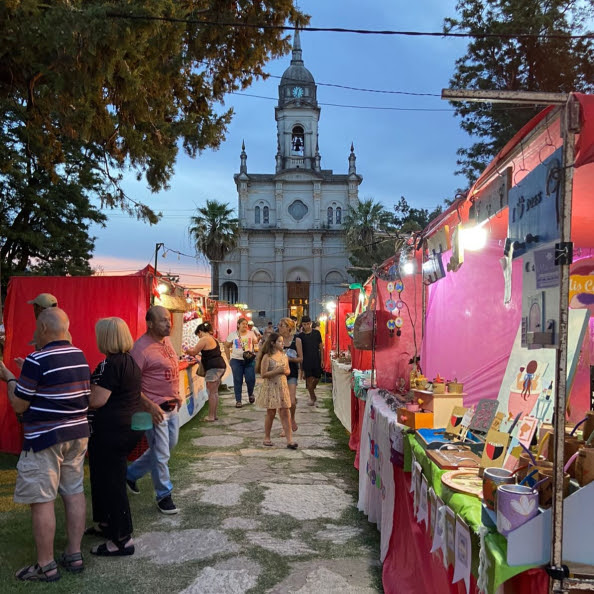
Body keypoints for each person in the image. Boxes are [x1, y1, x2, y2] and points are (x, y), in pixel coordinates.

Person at [0, 308, 90, 582]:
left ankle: (45, 565)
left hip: (45, 438)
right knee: (73, 491)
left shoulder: (36, 359)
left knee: (42, 499)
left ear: (41, 328)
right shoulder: (79, 355)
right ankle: (74, 555)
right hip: (77, 434)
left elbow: (19, 403)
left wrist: (10, 378)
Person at [87, 317, 143, 557]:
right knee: (104, 477)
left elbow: (97, 400)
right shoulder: (129, 361)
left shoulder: (110, 364)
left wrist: (77, 396)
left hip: (113, 430)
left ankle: (122, 540)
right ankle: (107, 523)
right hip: (128, 426)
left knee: (112, 482)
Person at [125, 306, 181, 515]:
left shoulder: (165, 341)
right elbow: (130, 385)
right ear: (150, 324)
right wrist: (149, 405)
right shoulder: (140, 349)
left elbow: (170, 369)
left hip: (171, 406)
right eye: (164, 320)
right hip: (154, 410)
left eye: (169, 320)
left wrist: (177, 393)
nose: (169, 324)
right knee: (161, 454)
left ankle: (130, 474)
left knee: (169, 445)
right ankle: (163, 495)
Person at [255, 333, 297, 449]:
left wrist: (283, 371)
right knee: (271, 412)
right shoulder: (267, 357)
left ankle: (290, 440)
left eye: (282, 341)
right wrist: (276, 371)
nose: (282, 343)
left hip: (282, 385)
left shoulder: (284, 355)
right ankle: (267, 437)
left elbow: (288, 371)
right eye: (279, 341)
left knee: (285, 412)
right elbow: (263, 374)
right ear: (273, 343)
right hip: (271, 386)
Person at [185, 322, 226, 422]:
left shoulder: (204, 339)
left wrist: (186, 350)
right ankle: (214, 415)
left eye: (198, 335)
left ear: (200, 332)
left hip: (213, 367)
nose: (198, 337)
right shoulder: (213, 339)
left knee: (211, 392)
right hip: (219, 366)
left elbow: (194, 352)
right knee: (214, 392)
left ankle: (211, 416)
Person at [224, 317, 258, 408]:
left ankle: (251, 394)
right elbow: (226, 345)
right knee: (237, 380)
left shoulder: (251, 333)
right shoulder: (233, 335)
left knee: (250, 379)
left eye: (246, 324)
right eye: (243, 324)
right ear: (238, 325)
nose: (245, 326)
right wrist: (228, 358)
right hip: (236, 360)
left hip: (249, 360)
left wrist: (254, 348)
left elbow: (256, 342)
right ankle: (238, 400)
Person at [278, 317, 302, 433]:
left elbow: (301, 358)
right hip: (279, 373)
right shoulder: (277, 340)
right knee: (282, 402)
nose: (279, 327)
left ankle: (292, 418)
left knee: (291, 401)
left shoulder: (296, 340)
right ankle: (285, 426)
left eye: (281, 325)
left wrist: (290, 359)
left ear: (288, 328)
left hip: (292, 372)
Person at [299, 315, 324, 406]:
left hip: (316, 359)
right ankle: (312, 397)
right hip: (306, 360)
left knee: (317, 378)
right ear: (302, 325)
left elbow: (321, 347)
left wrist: (322, 360)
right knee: (309, 380)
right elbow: (299, 350)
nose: (306, 326)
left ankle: (311, 389)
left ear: (311, 323)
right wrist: (301, 364)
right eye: (304, 324)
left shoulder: (317, 333)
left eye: (308, 324)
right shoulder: (300, 336)